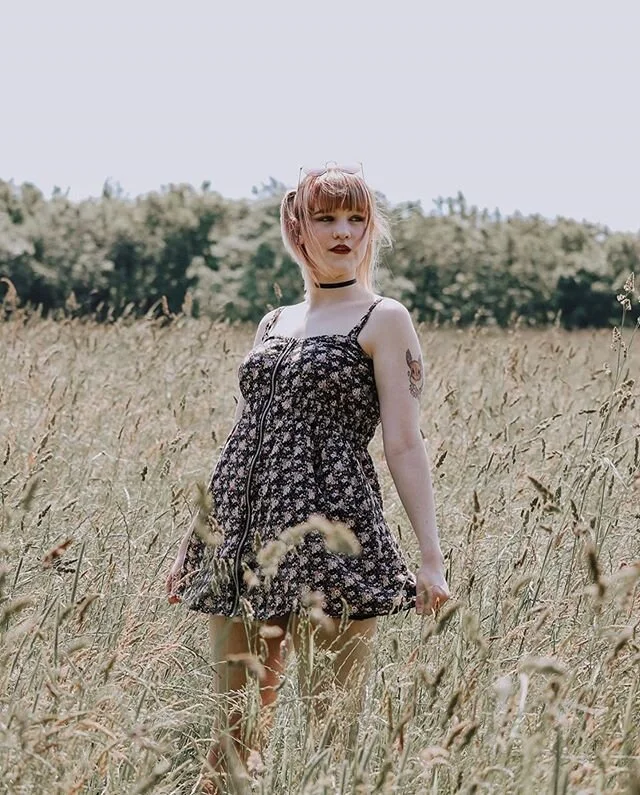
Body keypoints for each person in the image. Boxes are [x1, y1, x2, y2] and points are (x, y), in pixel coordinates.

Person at [166, 162, 450, 792]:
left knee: (330, 731)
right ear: (299, 227)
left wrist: (431, 558)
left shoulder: (384, 318)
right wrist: (198, 542)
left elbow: (403, 442)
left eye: (355, 217)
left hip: (334, 536)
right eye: (326, 218)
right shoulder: (273, 322)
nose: (343, 231)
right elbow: (245, 437)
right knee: (232, 732)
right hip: (242, 535)